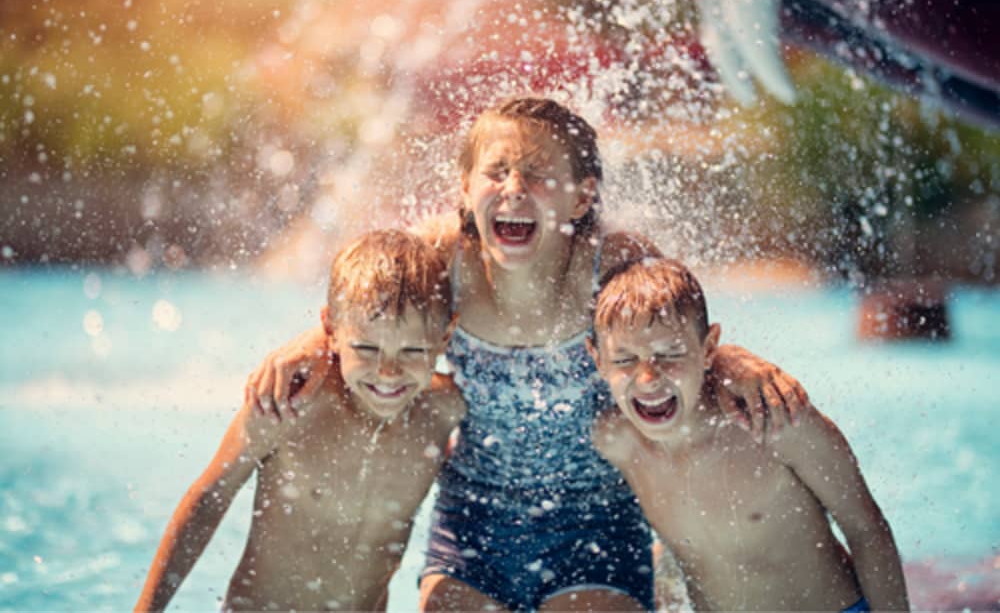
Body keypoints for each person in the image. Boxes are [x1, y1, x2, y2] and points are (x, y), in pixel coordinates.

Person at [246, 97, 810, 612]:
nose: (514, 187)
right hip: (475, 519)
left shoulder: (611, 261)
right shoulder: (445, 256)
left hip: (598, 518)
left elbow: (679, 335)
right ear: (466, 187)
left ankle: (656, 573)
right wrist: (312, 344)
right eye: (497, 172)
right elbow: (368, 308)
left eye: (539, 175)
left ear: (583, 194)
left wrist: (731, 359)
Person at [135, 230, 465, 612]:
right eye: (366, 348)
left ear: (444, 339)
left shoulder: (443, 411)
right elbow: (210, 498)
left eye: (411, 350)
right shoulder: (291, 403)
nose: (387, 371)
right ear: (331, 332)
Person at [587, 257, 909, 612]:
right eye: (624, 360)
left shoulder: (774, 421)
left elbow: (865, 527)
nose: (648, 378)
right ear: (597, 359)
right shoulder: (615, 441)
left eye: (670, 354)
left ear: (709, 349)